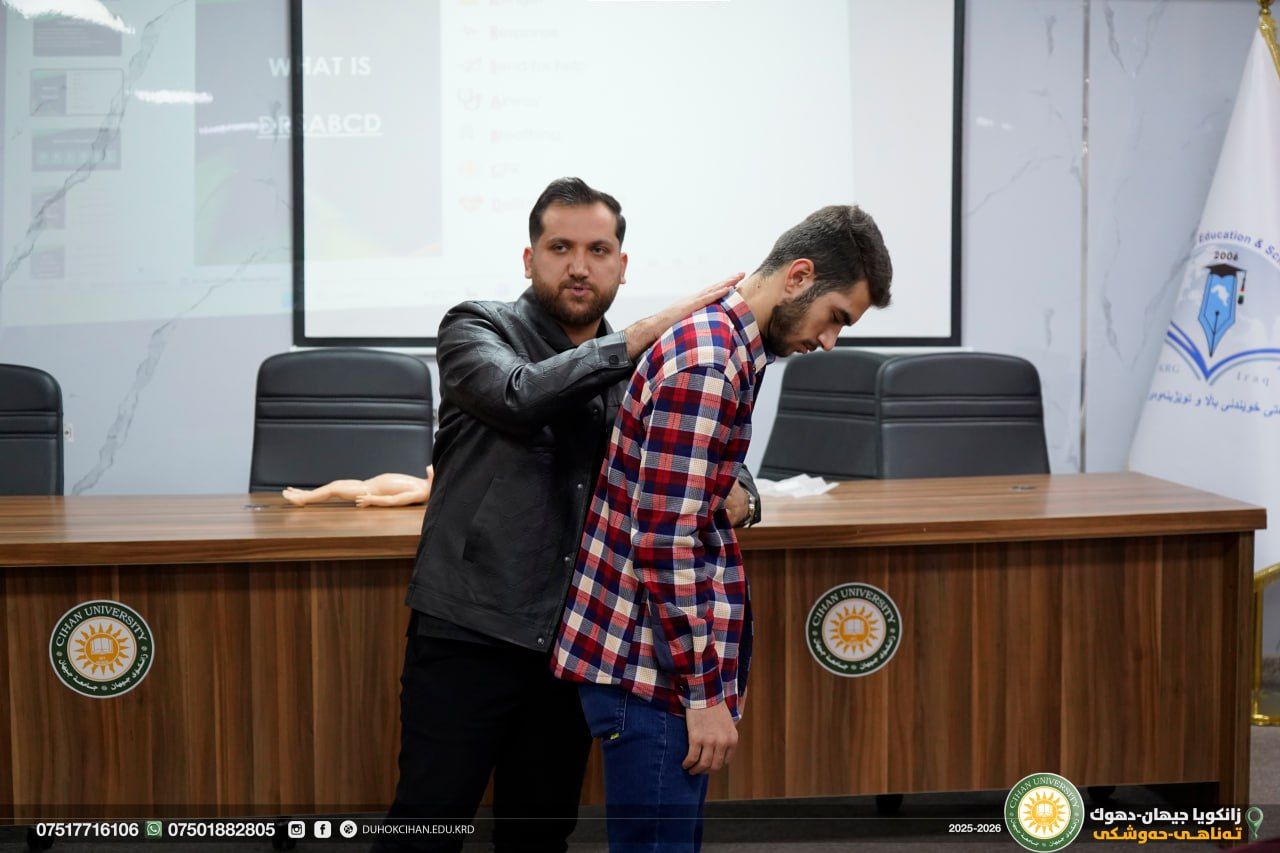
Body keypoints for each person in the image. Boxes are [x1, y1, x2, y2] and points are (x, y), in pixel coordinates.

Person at [374, 177, 761, 852]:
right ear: (530, 258)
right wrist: (642, 336)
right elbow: (519, 395)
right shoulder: (476, 326)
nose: (579, 265)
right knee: (426, 829)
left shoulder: (643, 362)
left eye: (598, 250)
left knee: (539, 834)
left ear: (621, 265)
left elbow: (707, 447)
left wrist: (745, 495)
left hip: (572, 646)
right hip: (470, 631)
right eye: (560, 248)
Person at [552, 204, 893, 850]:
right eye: (835, 318)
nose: (829, 342)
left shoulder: (729, 349)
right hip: (652, 674)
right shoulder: (709, 363)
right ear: (798, 277)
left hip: (653, 667)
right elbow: (666, 544)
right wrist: (704, 695)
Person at [281, 467, 433, 507]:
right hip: (366, 484)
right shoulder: (422, 482)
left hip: (367, 491)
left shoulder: (421, 492)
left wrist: (372, 500)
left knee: (335, 489)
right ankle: (307, 494)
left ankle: (304, 499)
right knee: (336, 485)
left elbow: (394, 500)